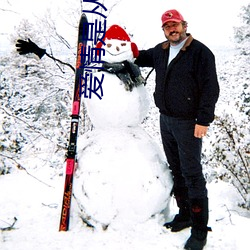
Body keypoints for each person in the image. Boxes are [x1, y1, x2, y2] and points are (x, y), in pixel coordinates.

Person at [135, 9, 219, 250]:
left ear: (184, 24)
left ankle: (200, 231)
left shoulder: (200, 52)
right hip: (166, 120)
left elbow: (210, 88)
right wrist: (117, 47)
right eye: (167, 26)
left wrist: (203, 120)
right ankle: (185, 214)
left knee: (192, 173)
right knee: (177, 169)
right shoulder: (161, 51)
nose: (172, 29)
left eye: (175, 24)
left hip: (189, 123)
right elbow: (139, 56)